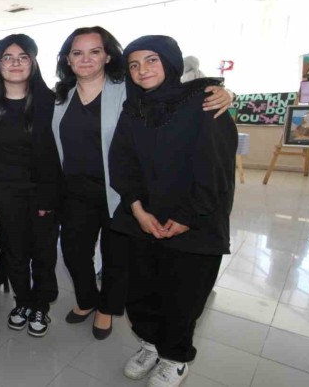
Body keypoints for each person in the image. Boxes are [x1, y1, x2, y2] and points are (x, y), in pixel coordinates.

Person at [51, 27, 235, 340]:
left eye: (95, 51)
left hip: (119, 192)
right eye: (77, 53)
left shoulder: (128, 88)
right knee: (73, 252)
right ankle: (86, 299)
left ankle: (107, 307)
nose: (86, 59)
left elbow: (178, 93)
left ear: (108, 56)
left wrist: (228, 93)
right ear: (67, 59)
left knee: (116, 257)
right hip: (75, 192)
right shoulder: (59, 97)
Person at [110, 35, 236, 387]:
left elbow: (216, 169)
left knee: (183, 297)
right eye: (134, 65)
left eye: (151, 60)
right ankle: (150, 345)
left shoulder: (203, 102)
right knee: (141, 293)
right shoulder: (133, 108)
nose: (142, 70)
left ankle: (174, 357)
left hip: (194, 224)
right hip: (143, 220)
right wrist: (137, 210)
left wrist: (186, 217)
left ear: (171, 62)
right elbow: (122, 163)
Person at [0, 34, 61, 337]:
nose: (15, 63)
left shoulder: (49, 102)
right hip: (4, 193)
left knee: (43, 253)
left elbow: (55, 154)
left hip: (42, 191)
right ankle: (23, 302)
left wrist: (49, 196)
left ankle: (41, 305)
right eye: (7, 58)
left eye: (23, 57)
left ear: (33, 62)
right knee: (14, 252)